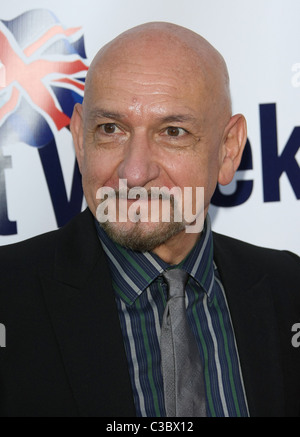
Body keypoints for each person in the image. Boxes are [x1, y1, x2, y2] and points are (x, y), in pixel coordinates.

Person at [0, 22, 299, 418]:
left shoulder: (289, 289)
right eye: (111, 129)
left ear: (228, 151)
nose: (135, 172)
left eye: (173, 132)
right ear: (79, 139)